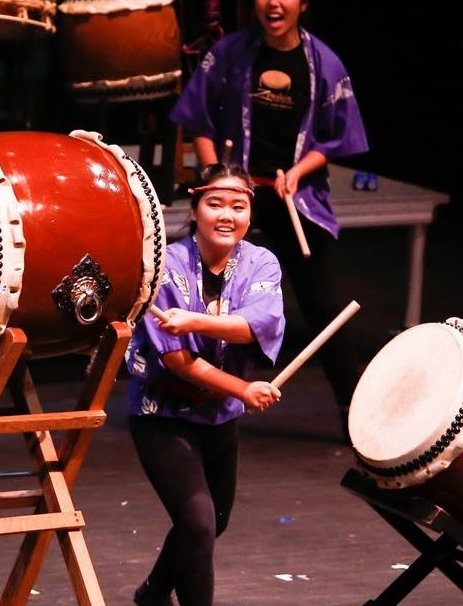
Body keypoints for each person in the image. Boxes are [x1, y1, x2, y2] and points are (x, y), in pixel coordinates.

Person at [170, 0, 367, 422]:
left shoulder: (324, 62)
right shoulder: (231, 53)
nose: (273, 2)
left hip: (293, 194)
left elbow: (334, 136)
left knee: (322, 303)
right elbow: (199, 118)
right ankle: (189, 390)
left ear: (302, 1)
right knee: (200, 287)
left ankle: (351, 409)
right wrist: (218, 182)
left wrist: (298, 171)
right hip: (236, 194)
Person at [126, 165, 284, 606]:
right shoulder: (164, 267)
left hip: (219, 415)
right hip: (163, 414)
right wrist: (243, 389)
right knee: (197, 522)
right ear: (195, 209)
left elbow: (256, 325)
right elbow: (177, 360)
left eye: (239, 206)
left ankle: (154, 591)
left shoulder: (261, 262)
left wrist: (194, 321)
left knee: (215, 520)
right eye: (215, 204)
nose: (227, 215)